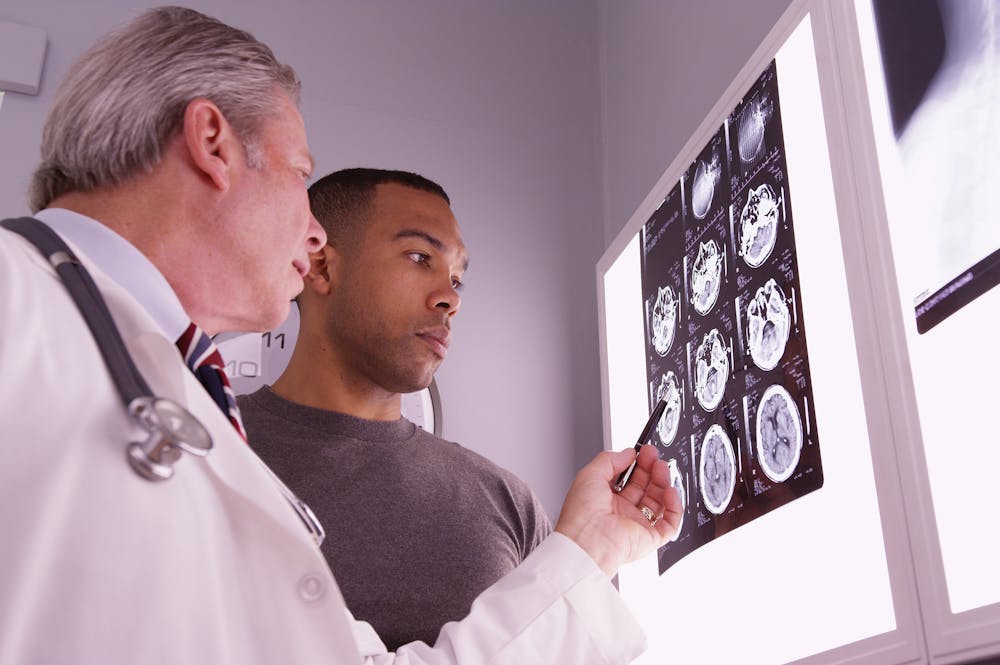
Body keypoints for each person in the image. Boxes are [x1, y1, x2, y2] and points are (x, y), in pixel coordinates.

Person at [0, 6, 681, 665]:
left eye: (460, 277)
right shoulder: (19, 301)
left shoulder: (198, 425)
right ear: (212, 144)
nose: (314, 230)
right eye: (300, 173)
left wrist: (590, 547)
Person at [237, 168, 552, 650]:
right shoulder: (207, 450)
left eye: (457, 279)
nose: (449, 298)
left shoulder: (509, 504)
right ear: (320, 268)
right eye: (419, 257)